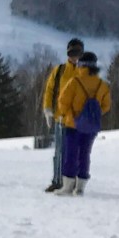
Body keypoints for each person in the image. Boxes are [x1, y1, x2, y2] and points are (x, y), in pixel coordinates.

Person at [53, 51, 112, 196]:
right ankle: (80, 187)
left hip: (73, 124)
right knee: (85, 154)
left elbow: (62, 102)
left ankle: (67, 186)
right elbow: (106, 106)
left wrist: (69, 115)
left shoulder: (74, 81)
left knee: (71, 154)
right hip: (91, 126)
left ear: (81, 65)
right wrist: (92, 115)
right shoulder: (102, 85)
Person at [41, 38, 85, 194]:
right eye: (72, 53)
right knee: (60, 152)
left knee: (75, 152)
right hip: (61, 118)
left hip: (78, 120)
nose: (75, 57)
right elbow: (50, 90)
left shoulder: (85, 72)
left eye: (78, 53)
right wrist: (47, 109)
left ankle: (72, 182)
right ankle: (57, 180)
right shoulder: (59, 70)